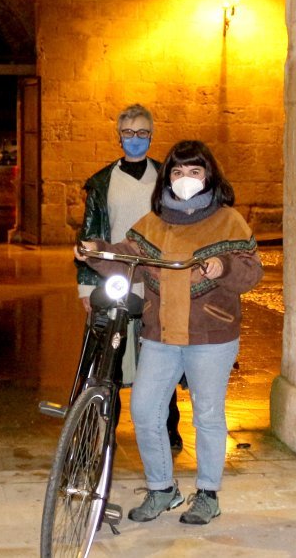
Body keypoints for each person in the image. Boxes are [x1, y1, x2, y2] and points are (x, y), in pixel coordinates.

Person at [77, 140, 263, 526]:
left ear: (209, 175)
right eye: (177, 172)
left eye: (194, 171)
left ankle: (208, 494)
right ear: (167, 179)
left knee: (208, 415)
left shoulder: (230, 221)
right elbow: (128, 259)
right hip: (160, 333)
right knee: (145, 410)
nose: (185, 179)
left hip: (212, 336)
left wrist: (223, 266)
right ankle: (162, 488)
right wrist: (96, 252)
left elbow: (251, 274)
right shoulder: (153, 223)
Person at [76, 104, 183, 451]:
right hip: (116, 276)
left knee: (160, 352)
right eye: (128, 133)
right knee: (112, 354)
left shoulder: (168, 179)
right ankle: (106, 427)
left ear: (151, 136)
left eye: (142, 133)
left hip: (157, 280)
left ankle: (169, 425)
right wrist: (86, 286)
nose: (134, 139)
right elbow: (90, 233)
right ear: (118, 136)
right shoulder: (103, 183)